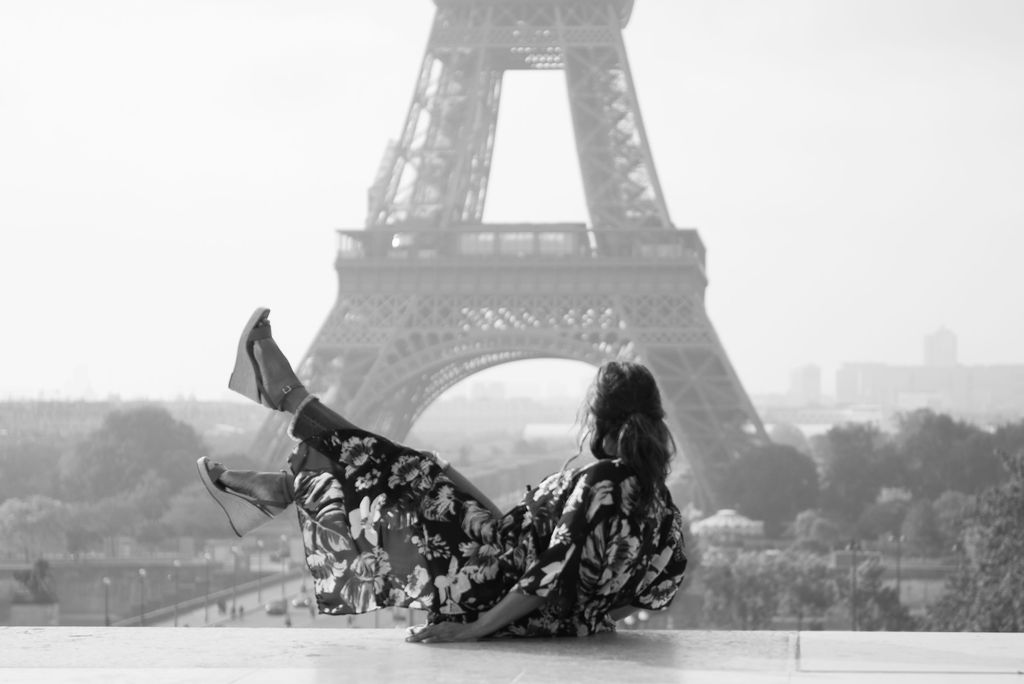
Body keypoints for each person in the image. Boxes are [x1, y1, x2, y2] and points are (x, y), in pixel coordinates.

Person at [198, 307, 687, 642]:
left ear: (599, 419)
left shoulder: (602, 479)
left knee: (412, 469)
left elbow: (545, 574)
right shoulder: (658, 501)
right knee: (420, 469)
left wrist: (475, 631)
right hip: (505, 573)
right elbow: (659, 583)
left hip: (491, 586)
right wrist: (586, 616)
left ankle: (285, 419)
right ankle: (284, 458)